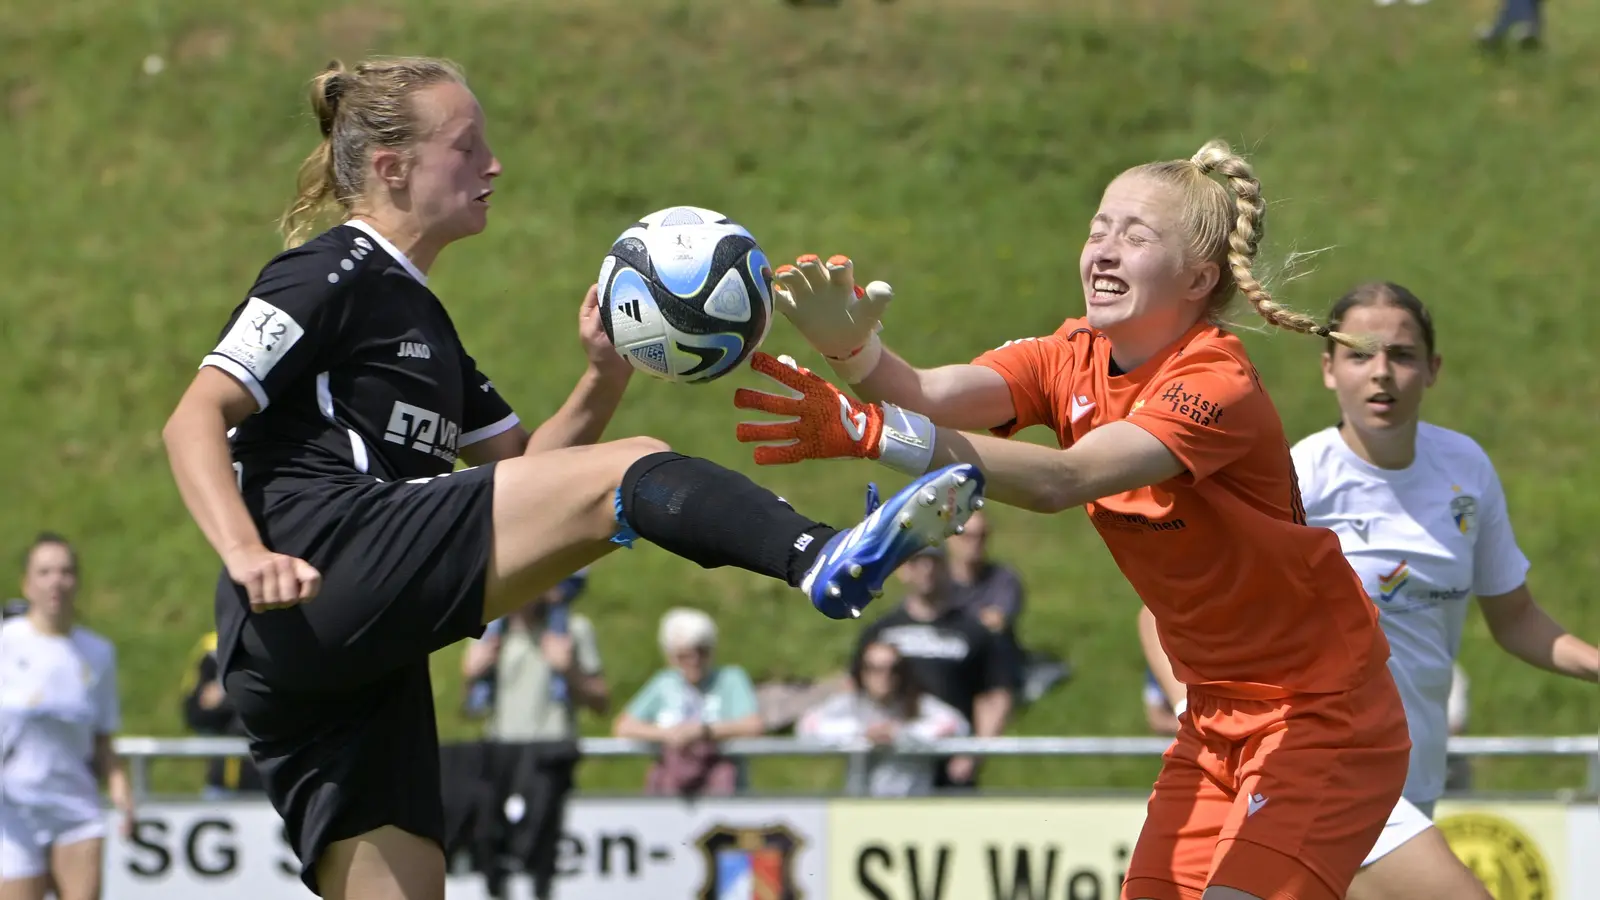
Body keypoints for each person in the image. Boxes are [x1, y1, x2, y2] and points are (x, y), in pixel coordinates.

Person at [159, 55, 984, 900]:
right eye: (467, 146)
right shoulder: (328, 272)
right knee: (630, 465)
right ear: (392, 167)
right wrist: (244, 552)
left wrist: (602, 375)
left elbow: (527, 478)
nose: (494, 165)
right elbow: (193, 417)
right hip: (321, 560)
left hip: (339, 645)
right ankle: (820, 555)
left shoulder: (421, 318)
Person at [733, 140, 1414, 900]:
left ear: (1199, 278)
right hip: (1214, 716)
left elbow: (1066, 478)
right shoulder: (1070, 354)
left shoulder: (1216, 381)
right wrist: (854, 352)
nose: (1104, 251)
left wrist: (871, 430)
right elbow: (927, 395)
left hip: (1322, 713)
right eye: (1098, 229)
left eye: (1136, 236)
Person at [1267, 282, 1595, 899]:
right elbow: (1171, 609)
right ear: (1328, 370)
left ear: (1433, 369)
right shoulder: (1299, 479)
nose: (1381, 372)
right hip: (1326, 765)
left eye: (1401, 354)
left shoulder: (1465, 468)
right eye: (1359, 354)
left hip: (1416, 773)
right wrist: (1190, 711)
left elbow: (1515, 618)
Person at [0, 534, 135, 900]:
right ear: (27, 584)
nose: (55, 582)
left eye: (65, 572)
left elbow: (103, 738)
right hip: (13, 811)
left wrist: (121, 791)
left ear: (76, 581)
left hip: (74, 808)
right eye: (44, 572)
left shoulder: (98, 652)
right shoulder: (6, 643)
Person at [853, 546, 1013, 791]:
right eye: (917, 562)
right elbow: (855, 689)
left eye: (934, 562)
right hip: (892, 765)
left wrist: (975, 753)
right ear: (903, 571)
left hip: (951, 761)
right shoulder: (881, 631)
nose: (926, 570)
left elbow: (994, 697)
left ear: (948, 568)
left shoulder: (973, 632)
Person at [613, 608, 764, 796]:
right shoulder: (664, 682)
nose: (694, 660)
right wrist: (667, 734)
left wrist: (703, 732)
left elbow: (753, 726)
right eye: (684, 655)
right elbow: (624, 726)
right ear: (671, 657)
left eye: (701, 652)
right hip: (671, 790)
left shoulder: (731, 679)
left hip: (723, 791)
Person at [798, 638, 969, 797]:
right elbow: (808, 727)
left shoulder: (918, 703)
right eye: (874, 668)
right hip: (860, 805)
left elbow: (956, 724)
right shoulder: (850, 702)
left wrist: (899, 734)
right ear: (862, 672)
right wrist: (862, 734)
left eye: (893, 669)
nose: (884, 676)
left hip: (913, 803)